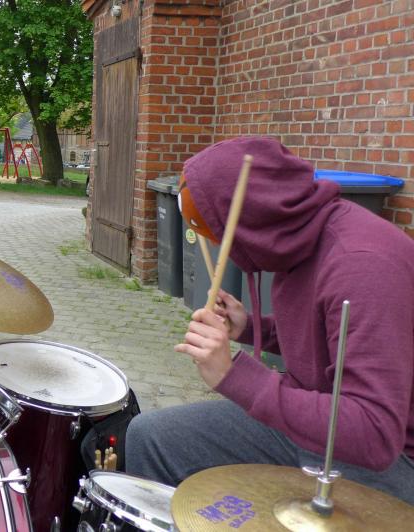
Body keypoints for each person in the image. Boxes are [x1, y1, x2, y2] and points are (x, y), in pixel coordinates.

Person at [125, 137, 414, 504]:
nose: (222, 249)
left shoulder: (363, 267)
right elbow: (324, 337)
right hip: (322, 417)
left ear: (253, 219)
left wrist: (236, 376)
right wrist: (250, 327)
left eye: (221, 235)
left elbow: (375, 432)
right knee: (150, 437)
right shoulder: (301, 237)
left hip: (390, 460)